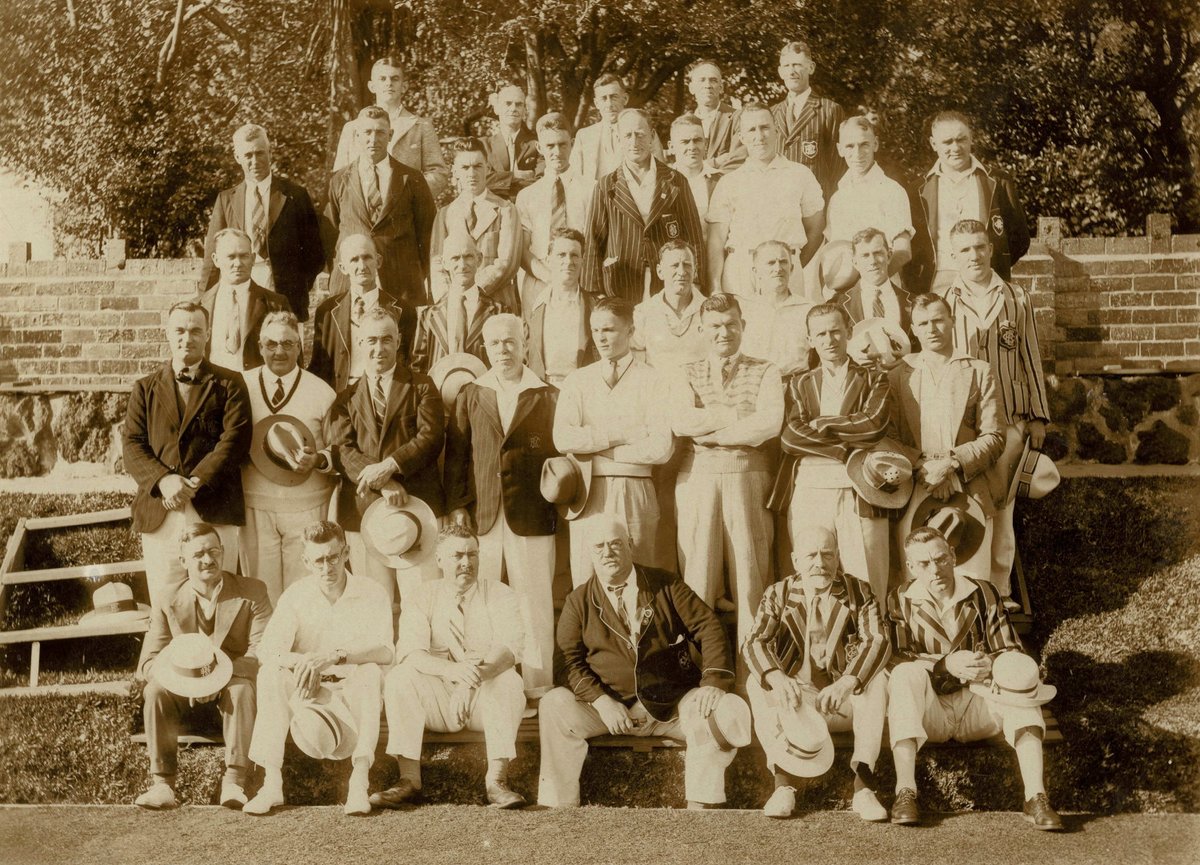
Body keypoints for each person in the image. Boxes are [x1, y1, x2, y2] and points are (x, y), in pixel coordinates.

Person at [538, 513, 745, 809]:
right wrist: (601, 702)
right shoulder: (578, 601)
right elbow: (567, 663)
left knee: (714, 708)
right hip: (609, 714)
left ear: (631, 545)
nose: (607, 552)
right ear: (590, 553)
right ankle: (558, 807)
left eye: (615, 544)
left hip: (669, 707)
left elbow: (708, 627)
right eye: (599, 546)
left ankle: (703, 805)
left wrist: (714, 682)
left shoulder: (666, 585)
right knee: (553, 704)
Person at [886, 527, 1062, 830]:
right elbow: (897, 656)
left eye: (941, 559)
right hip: (932, 712)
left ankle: (1035, 796)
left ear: (953, 556)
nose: (935, 569)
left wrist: (989, 662)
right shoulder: (901, 598)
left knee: (1019, 678)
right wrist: (946, 665)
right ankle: (905, 791)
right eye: (924, 564)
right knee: (903, 675)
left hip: (979, 704)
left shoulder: (983, 592)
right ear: (912, 567)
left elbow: (1008, 646)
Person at [373, 525, 528, 809]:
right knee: (399, 677)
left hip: (482, 701)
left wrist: (469, 682)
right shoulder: (423, 595)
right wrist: (453, 672)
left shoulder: (500, 593)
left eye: (472, 555)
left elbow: (509, 651)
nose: (466, 563)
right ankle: (408, 780)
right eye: (457, 555)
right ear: (439, 559)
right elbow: (412, 653)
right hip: (439, 701)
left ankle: (496, 782)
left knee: (509, 681)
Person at [245, 521, 394, 816]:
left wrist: (335, 656)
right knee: (270, 675)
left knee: (370, 673)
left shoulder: (372, 591)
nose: (327, 568)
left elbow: (386, 651)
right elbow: (268, 650)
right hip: (307, 690)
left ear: (346, 552)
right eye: (319, 560)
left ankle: (359, 782)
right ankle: (271, 784)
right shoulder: (295, 595)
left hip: (351, 687)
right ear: (306, 561)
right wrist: (303, 663)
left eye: (333, 557)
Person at [445, 314, 559, 697]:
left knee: (534, 601)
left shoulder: (545, 394)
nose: (503, 350)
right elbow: (458, 456)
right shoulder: (472, 393)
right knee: (482, 599)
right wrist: (459, 504)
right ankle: (484, 684)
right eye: (495, 344)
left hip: (532, 514)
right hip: (485, 515)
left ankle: (539, 686)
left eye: (510, 342)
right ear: (485, 349)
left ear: (524, 343)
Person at [742, 525, 890, 821]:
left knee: (877, 682)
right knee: (757, 683)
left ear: (838, 557)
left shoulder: (858, 591)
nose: (819, 564)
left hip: (844, 699)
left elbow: (879, 640)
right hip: (799, 703)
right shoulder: (779, 593)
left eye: (827, 554)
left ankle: (863, 786)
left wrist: (847, 682)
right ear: (796, 560)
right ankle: (783, 784)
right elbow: (754, 642)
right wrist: (777, 677)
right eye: (811, 555)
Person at [937, 218, 1050, 599]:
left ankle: (1000, 593)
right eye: (965, 249)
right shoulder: (946, 300)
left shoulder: (1015, 297)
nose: (974, 255)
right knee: (969, 506)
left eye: (980, 247)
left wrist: (1036, 415)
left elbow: (1030, 356)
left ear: (990, 249)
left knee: (1003, 509)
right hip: (966, 423)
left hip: (1010, 419)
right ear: (953, 255)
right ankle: (968, 591)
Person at [668, 293, 782, 655]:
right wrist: (735, 415)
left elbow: (767, 425)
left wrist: (711, 431)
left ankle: (755, 672)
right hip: (697, 477)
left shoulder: (767, 369)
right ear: (702, 330)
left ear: (743, 326)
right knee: (698, 577)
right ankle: (701, 674)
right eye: (715, 326)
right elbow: (682, 420)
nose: (724, 332)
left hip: (748, 474)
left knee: (751, 579)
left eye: (731, 323)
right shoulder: (686, 371)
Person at [134, 523, 272, 810]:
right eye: (198, 554)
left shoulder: (252, 591)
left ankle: (234, 782)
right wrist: (185, 681)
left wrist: (215, 679)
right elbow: (148, 662)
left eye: (213, 551)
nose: (207, 560)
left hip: (232, 691)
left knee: (241, 690)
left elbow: (264, 652)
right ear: (183, 561)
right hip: (182, 695)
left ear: (223, 553)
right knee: (155, 690)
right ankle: (163, 785)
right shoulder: (167, 597)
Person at [123, 301, 250, 609]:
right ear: (167, 334)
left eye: (195, 330)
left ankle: (219, 657)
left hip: (215, 506)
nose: (187, 338)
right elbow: (132, 444)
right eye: (179, 330)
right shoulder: (145, 388)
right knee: (167, 601)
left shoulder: (230, 384)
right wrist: (165, 481)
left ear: (207, 335)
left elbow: (234, 440)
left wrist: (194, 481)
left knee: (218, 599)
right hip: (161, 510)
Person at [768, 303, 892, 602]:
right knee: (813, 573)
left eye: (836, 331)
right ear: (810, 339)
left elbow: (873, 426)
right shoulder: (799, 382)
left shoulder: (874, 377)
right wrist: (843, 449)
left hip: (861, 490)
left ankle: (871, 641)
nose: (829, 339)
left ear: (849, 333)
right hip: (809, 488)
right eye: (821, 334)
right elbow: (791, 437)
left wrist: (821, 423)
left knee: (866, 576)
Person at [325, 308, 446, 601]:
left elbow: (431, 436)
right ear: (360, 342)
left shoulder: (421, 386)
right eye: (372, 340)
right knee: (372, 603)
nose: (379, 348)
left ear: (399, 340)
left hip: (417, 508)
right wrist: (384, 483)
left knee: (422, 600)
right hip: (363, 510)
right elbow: (343, 451)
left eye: (386, 339)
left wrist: (390, 466)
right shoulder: (345, 398)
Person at [553, 297, 674, 583]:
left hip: (635, 489)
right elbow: (562, 438)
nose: (601, 338)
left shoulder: (654, 380)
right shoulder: (577, 380)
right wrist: (620, 435)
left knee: (640, 574)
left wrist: (601, 451)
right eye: (595, 331)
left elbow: (660, 449)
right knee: (587, 578)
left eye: (609, 330)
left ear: (631, 331)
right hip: (588, 490)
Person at [886, 293, 1005, 582]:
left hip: (968, 484)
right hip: (917, 483)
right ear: (913, 329)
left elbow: (994, 436)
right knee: (918, 577)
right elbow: (888, 437)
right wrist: (923, 467)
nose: (932, 329)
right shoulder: (899, 375)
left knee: (970, 578)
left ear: (952, 321)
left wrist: (951, 464)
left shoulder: (978, 371)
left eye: (939, 320)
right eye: (923, 323)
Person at [239, 311, 337, 605]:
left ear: (299, 346)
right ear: (259, 346)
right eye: (271, 344)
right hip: (255, 504)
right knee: (260, 592)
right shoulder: (239, 387)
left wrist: (318, 458)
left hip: (306, 507)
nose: (279, 351)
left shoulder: (322, 392)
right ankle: (267, 650)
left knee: (306, 591)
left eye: (287, 343)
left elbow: (339, 447)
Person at [200, 124, 325, 321]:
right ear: (237, 157)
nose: (255, 161)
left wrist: (296, 285)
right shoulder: (226, 200)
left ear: (270, 153)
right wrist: (204, 302)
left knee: (285, 349)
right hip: (240, 290)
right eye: (248, 155)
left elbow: (315, 253)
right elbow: (211, 259)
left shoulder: (295, 195)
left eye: (260, 153)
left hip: (286, 295)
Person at [582, 108, 706, 303]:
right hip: (620, 283)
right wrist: (594, 292)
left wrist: (696, 282)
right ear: (618, 138)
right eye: (628, 135)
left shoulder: (675, 181)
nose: (634, 142)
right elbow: (593, 241)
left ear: (652, 135)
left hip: (668, 285)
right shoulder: (606, 186)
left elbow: (693, 236)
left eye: (640, 134)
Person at [706, 103, 824, 296]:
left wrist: (792, 262)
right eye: (751, 130)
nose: (759, 136)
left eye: (765, 127)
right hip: (741, 274)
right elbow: (716, 240)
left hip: (785, 271)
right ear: (742, 137)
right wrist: (715, 288)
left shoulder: (800, 174)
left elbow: (816, 227)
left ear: (776, 131)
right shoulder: (729, 182)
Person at [327, 105, 437, 312]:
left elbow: (428, 234)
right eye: (367, 132)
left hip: (402, 285)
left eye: (380, 132)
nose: (373, 139)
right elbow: (331, 233)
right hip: (352, 282)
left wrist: (413, 274)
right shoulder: (339, 180)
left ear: (390, 135)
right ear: (357, 135)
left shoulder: (412, 178)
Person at [914, 111, 1030, 293]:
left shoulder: (998, 181)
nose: (956, 147)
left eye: (961, 139)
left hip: (986, 280)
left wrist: (992, 263)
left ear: (971, 139)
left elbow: (1020, 238)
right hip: (938, 282)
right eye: (947, 142)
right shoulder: (918, 188)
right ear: (933, 144)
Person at [308, 233, 417, 393]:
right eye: (354, 260)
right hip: (341, 397)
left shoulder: (402, 310)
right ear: (343, 268)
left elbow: (408, 364)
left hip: (386, 396)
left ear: (378, 261)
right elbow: (319, 367)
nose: (362, 266)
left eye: (367, 258)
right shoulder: (327, 312)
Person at [332, 56, 450, 199]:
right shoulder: (353, 128)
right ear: (372, 86)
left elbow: (438, 173)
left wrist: (410, 196)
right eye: (382, 79)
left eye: (394, 79)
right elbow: (339, 175)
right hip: (362, 211)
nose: (389, 83)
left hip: (405, 213)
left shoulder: (421, 126)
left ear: (404, 86)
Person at [430, 137, 522, 312]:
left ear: (487, 168)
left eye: (478, 166)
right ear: (455, 171)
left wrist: (474, 292)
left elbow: (507, 263)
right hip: (455, 305)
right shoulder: (445, 214)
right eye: (465, 168)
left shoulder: (506, 210)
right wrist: (449, 300)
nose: (472, 173)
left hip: (497, 304)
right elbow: (437, 265)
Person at [516, 113, 595, 309]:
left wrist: (574, 277)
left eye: (562, 144)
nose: (557, 152)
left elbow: (597, 240)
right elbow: (523, 249)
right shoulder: (527, 195)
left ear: (572, 143)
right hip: (539, 281)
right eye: (550, 146)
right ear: (540, 148)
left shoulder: (592, 189)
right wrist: (549, 277)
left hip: (581, 279)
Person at [826, 117, 914, 276]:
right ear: (840, 149)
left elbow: (903, 251)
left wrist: (870, 285)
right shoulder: (837, 198)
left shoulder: (892, 191)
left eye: (864, 144)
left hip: (881, 288)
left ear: (876, 144)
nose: (857, 153)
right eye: (850, 146)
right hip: (841, 293)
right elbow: (833, 252)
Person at [412, 230, 504, 375]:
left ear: (479, 259)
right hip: (438, 395)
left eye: (468, 256)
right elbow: (417, 368)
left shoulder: (498, 312)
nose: (462, 265)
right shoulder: (428, 316)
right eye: (455, 258)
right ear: (444, 263)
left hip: (483, 395)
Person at [201, 228, 292, 372]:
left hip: (256, 388)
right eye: (230, 257)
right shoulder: (200, 305)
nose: (237, 263)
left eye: (244, 256)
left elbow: (290, 359)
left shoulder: (276, 304)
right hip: (213, 389)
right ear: (216, 260)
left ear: (253, 259)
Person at [769, 40, 846, 200]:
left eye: (797, 65)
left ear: (811, 67)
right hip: (779, 204)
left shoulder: (829, 110)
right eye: (787, 66)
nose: (791, 71)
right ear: (780, 71)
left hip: (815, 205)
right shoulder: (772, 113)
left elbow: (838, 168)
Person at [523, 227, 597, 385]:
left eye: (575, 255)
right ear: (549, 259)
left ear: (583, 260)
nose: (569, 261)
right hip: (543, 393)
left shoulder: (594, 306)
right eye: (561, 255)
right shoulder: (535, 306)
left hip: (580, 391)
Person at [739, 240, 813, 378]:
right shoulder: (743, 309)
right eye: (770, 263)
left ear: (791, 268)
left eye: (783, 262)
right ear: (756, 271)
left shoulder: (808, 309)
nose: (778, 268)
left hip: (795, 387)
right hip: (754, 385)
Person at [631, 240, 708, 371]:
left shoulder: (710, 310)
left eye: (687, 265)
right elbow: (637, 365)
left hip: (702, 388)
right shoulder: (643, 312)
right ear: (660, 271)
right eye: (674, 265)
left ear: (695, 271)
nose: (682, 271)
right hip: (658, 388)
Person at [569, 74, 664, 180]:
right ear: (596, 103)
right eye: (604, 98)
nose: (609, 104)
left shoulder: (644, 132)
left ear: (625, 99)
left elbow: (660, 173)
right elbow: (575, 178)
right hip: (596, 195)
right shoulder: (584, 136)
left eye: (614, 97)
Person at [838, 228, 914, 338]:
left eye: (877, 253)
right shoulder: (840, 304)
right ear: (855, 262)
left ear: (889, 256)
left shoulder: (913, 302)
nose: (872, 261)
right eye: (865, 255)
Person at [481, 81, 542, 201]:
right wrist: (515, 176)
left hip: (529, 209)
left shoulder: (537, 144)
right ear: (497, 108)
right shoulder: (484, 145)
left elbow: (542, 182)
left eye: (519, 104)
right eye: (508, 103)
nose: (513, 108)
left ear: (525, 110)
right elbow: (482, 181)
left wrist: (500, 181)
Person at [685, 60, 745, 175]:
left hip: (726, 186)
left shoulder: (738, 117)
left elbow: (738, 160)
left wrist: (697, 167)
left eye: (713, 80)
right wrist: (716, 162)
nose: (707, 85)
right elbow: (681, 164)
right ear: (691, 88)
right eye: (702, 80)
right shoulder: (684, 123)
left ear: (721, 87)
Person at [668, 114, 718, 221]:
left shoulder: (721, 181)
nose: (692, 147)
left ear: (706, 144)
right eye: (685, 142)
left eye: (697, 140)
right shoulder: (659, 182)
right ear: (671, 147)